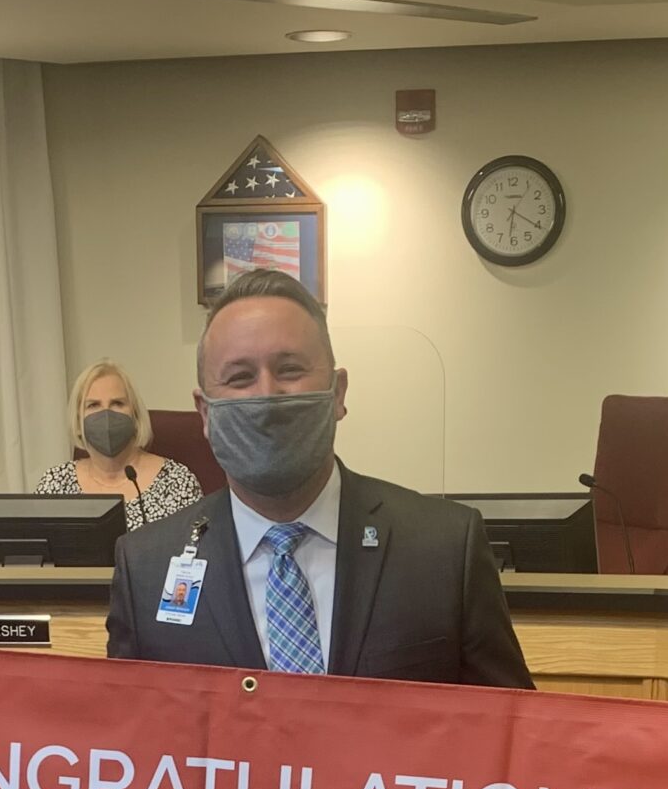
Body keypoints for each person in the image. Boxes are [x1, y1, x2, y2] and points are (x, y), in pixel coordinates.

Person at [105, 269, 532, 687]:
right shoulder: (145, 568)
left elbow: (514, 736)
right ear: (205, 413)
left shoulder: (445, 549)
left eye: (290, 369)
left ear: (338, 393)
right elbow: (130, 744)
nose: (267, 396)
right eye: (240, 378)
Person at [34, 360, 205, 528]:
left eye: (117, 403)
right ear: (78, 422)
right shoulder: (55, 484)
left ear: (135, 416)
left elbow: (199, 549)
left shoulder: (176, 481)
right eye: (93, 405)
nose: (106, 414)